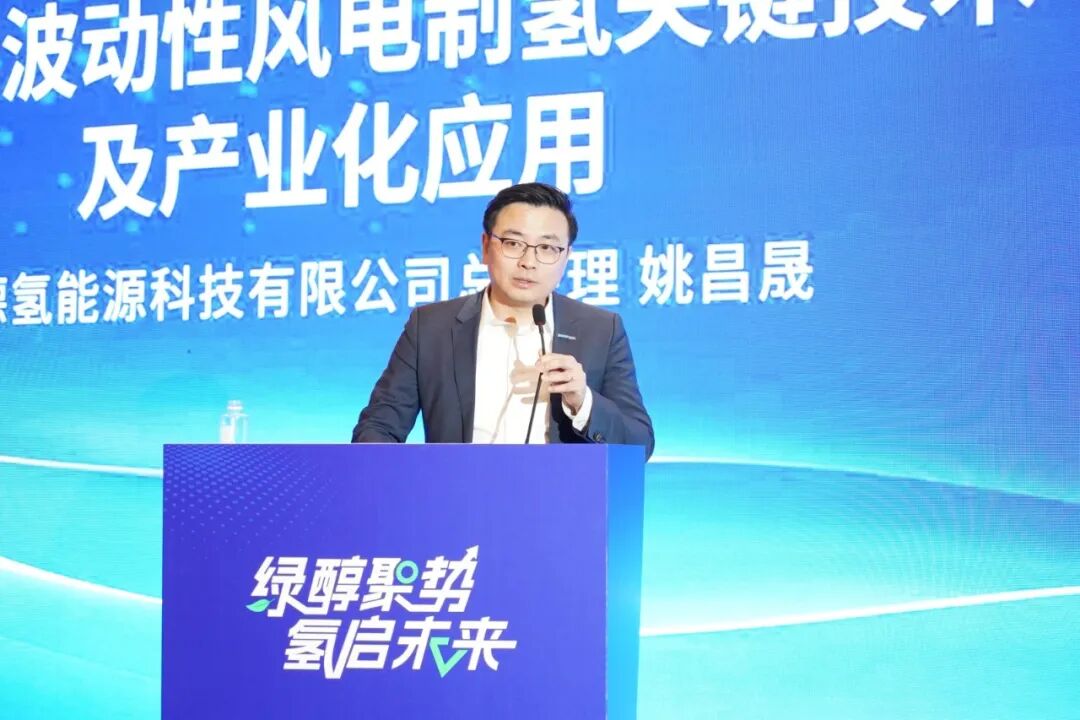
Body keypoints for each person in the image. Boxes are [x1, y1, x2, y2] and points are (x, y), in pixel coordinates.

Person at [351, 182, 654, 458]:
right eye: (513, 243)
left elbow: (640, 444)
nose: (528, 262)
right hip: (457, 497)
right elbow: (378, 426)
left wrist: (582, 400)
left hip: (559, 499)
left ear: (566, 257)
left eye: (547, 248)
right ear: (486, 246)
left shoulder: (600, 330)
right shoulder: (431, 327)